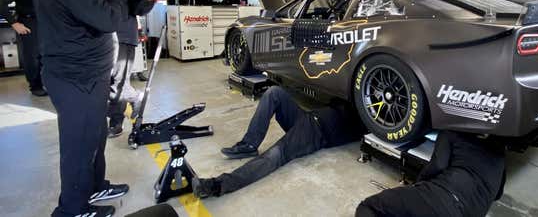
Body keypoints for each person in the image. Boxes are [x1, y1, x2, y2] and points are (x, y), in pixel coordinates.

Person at [33, 0, 129, 217]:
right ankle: (71, 209)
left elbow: (82, 15)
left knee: (94, 137)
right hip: (76, 78)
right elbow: (110, 19)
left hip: (86, 76)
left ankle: (94, 185)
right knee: (79, 144)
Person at [192, 86, 365, 198]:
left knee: (275, 154)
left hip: (314, 134)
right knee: (274, 92)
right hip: (306, 116)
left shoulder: (368, 121)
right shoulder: (358, 94)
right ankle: (249, 144)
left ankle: (217, 185)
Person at [355, 130, 506, 217]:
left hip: (442, 199)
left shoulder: (452, 131)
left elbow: (437, 166)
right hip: (471, 212)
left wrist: (416, 187)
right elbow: (497, 194)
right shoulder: (500, 152)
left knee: (369, 207)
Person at [97, 0, 158, 138]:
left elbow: (137, 9)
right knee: (104, 82)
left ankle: (116, 123)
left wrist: (148, 3)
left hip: (123, 36)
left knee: (117, 84)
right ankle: (136, 96)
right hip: (98, 38)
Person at [0, 0, 47, 96]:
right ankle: (35, 86)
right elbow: (2, 3)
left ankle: (49, 83)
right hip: (27, 23)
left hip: (46, 23)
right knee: (32, 57)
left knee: (48, 55)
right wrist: (14, 23)